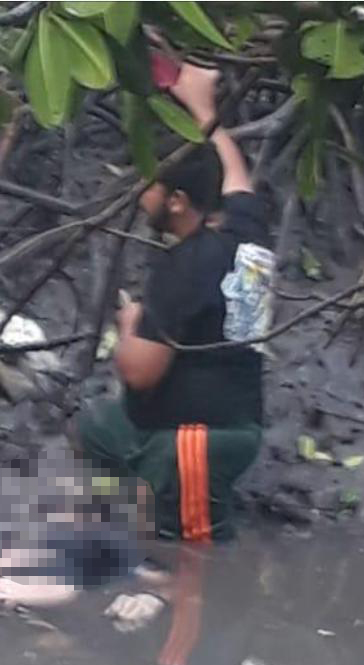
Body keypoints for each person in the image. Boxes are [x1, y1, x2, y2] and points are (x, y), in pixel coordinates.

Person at [78, 64, 274, 543]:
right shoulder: (248, 234)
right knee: (97, 430)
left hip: (198, 441)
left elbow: (140, 371)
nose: (142, 195)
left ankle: (180, 530)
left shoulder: (183, 266)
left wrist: (130, 324)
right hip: (232, 419)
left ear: (179, 201)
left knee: (193, 555)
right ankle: (154, 501)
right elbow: (235, 176)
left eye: (151, 185)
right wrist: (203, 109)